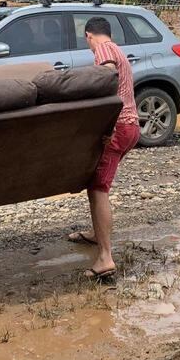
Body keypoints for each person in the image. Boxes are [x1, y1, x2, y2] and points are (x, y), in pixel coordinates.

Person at [66, 17, 141, 280]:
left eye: (86, 41)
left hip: (118, 128)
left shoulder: (105, 50)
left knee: (98, 188)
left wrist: (106, 128)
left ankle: (105, 257)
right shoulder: (118, 50)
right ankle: (96, 233)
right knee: (100, 183)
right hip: (130, 126)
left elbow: (107, 80)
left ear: (89, 36)